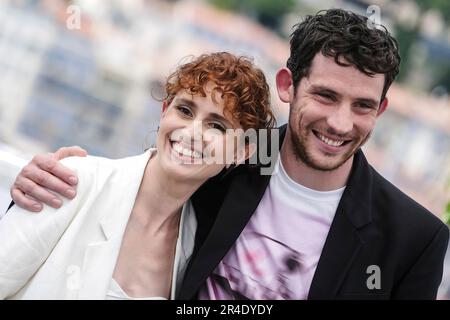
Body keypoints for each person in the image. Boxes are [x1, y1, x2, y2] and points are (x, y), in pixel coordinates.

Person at [9, 9, 449, 300]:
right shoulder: (230, 160)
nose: (339, 123)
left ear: (382, 109)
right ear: (287, 86)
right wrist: (53, 176)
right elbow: (163, 162)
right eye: (326, 96)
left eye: (362, 106)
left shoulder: (413, 238)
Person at [0, 52, 276, 299]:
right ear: (164, 111)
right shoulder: (73, 179)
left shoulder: (197, 251)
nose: (192, 132)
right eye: (184, 110)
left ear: (242, 152)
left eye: (216, 125)